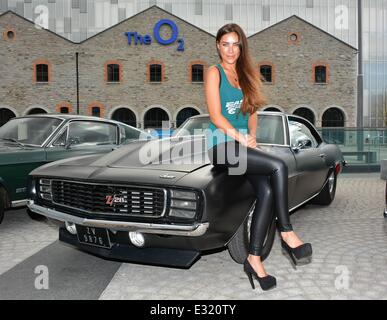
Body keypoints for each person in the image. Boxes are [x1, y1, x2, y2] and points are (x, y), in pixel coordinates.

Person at [205, 23, 312, 291]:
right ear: (218, 45)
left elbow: (252, 114)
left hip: (243, 147)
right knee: (278, 165)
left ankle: (254, 259)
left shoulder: (247, 75)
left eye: (235, 44)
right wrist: (240, 138)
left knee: (265, 192)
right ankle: (286, 232)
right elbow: (216, 116)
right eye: (225, 44)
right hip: (222, 147)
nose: (231, 50)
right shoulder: (214, 73)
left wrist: (252, 139)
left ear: (242, 47)